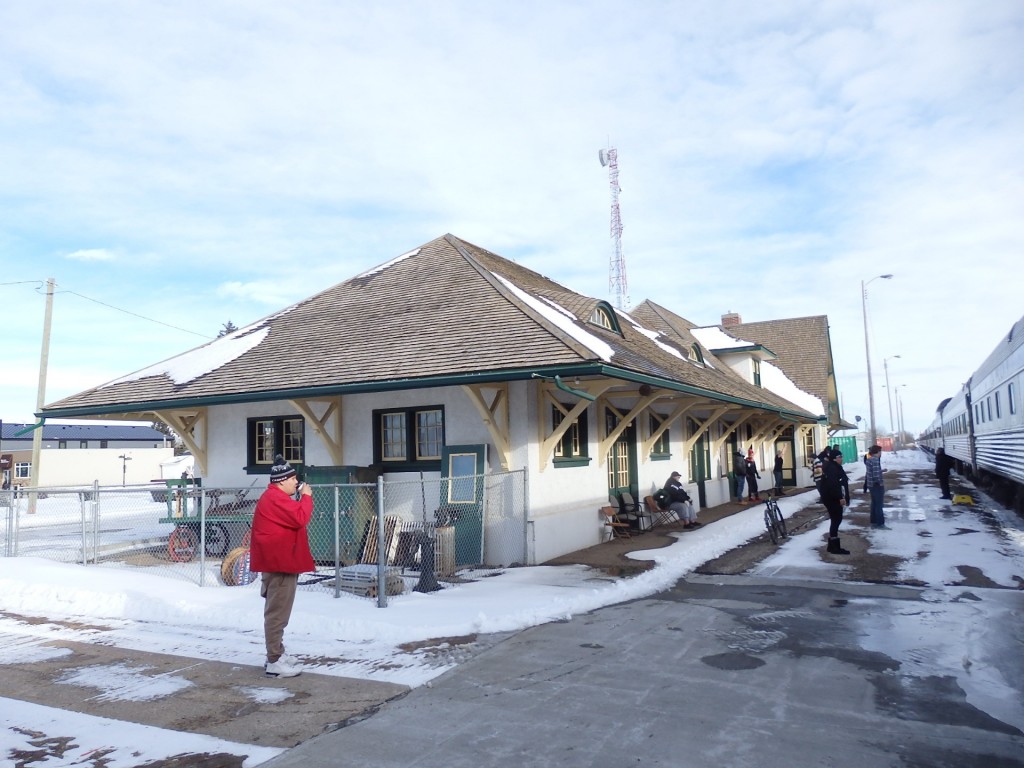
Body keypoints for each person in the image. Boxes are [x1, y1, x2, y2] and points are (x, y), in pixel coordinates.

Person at [250, 454, 315, 678]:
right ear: (281, 481)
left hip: (282, 563)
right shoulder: (275, 498)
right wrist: (306, 497)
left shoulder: (276, 497)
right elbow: (300, 517)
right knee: (277, 614)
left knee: (279, 612)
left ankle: (277, 653)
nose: (296, 482)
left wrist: (300, 497)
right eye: (293, 479)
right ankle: (274, 660)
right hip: (279, 565)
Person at [820, 448, 851, 554]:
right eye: (839, 457)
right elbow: (833, 485)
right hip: (832, 498)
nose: (841, 458)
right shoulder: (832, 468)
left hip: (833, 497)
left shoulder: (835, 467)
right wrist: (840, 498)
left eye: (841, 456)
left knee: (836, 519)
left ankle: (832, 545)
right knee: (836, 519)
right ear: (834, 458)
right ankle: (834, 547)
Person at [865, 445, 888, 529]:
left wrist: (881, 471)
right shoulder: (875, 460)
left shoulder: (869, 459)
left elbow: (873, 471)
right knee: (879, 505)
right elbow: (875, 475)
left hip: (871, 485)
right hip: (876, 485)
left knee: (874, 504)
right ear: (877, 452)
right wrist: (880, 483)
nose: (881, 453)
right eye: (880, 451)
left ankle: (874, 522)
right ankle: (880, 524)